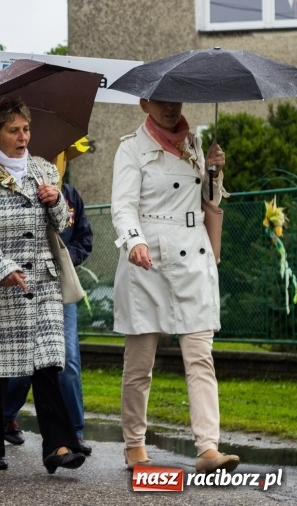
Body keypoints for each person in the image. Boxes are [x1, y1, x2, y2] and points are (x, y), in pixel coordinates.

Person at [0, 96, 86, 474]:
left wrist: (55, 200)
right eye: (13, 130)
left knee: (48, 364)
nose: (23, 136)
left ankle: (59, 446)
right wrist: (1, 266)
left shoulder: (45, 169)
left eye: (26, 128)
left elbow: (62, 222)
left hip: (41, 283)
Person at [111, 98, 239, 473]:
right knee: (139, 362)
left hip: (193, 255)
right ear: (144, 104)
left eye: (175, 100)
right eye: (161, 102)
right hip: (147, 257)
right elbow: (122, 205)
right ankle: (134, 443)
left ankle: (208, 448)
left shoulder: (196, 145)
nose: (170, 108)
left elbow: (207, 202)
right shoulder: (131, 148)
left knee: (200, 356)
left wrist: (215, 173)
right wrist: (133, 240)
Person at [2, 181, 94, 454]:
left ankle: (74, 432)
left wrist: (64, 258)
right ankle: (5, 416)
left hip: (60, 286)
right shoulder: (13, 191)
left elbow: (84, 239)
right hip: (23, 286)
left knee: (66, 359)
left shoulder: (69, 194)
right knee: (25, 362)